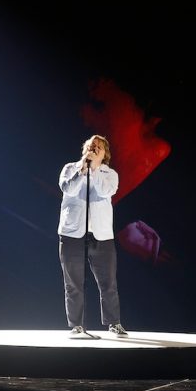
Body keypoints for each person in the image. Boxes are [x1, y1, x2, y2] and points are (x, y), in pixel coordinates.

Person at [58, 134, 127, 338]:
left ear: (105, 154)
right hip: (72, 233)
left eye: (99, 147)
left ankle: (114, 323)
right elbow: (68, 188)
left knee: (108, 282)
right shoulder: (70, 168)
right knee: (73, 282)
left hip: (101, 235)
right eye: (91, 145)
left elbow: (107, 191)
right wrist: (84, 170)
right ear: (84, 149)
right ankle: (76, 325)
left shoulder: (110, 174)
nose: (95, 148)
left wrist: (95, 169)